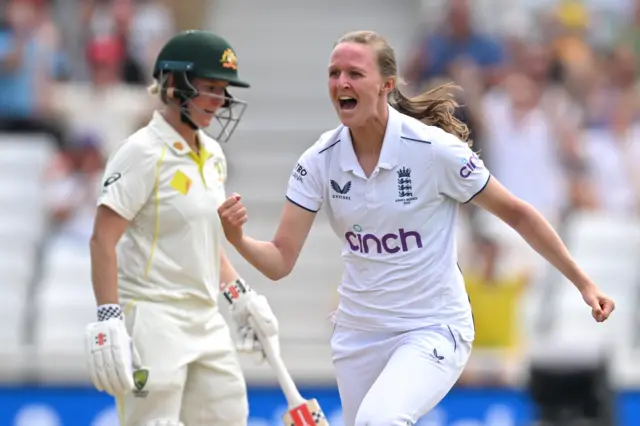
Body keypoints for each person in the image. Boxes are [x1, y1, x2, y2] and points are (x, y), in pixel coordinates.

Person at [217, 30, 616, 426]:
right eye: (334, 73)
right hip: (358, 336)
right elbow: (279, 262)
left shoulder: (433, 150)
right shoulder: (318, 161)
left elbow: (518, 214)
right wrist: (237, 238)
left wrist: (583, 283)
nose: (341, 83)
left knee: (379, 420)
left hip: (432, 326)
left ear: (386, 85)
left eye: (355, 73)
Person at [83, 30, 280, 426]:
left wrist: (239, 296)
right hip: (154, 317)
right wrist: (109, 316)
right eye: (209, 87)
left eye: (223, 89)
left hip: (206, 318)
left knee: (229, 417)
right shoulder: (141, 152)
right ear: (174, 85)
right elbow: (102, 239)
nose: (220, 101)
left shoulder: (213, 155)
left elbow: (205, 241)